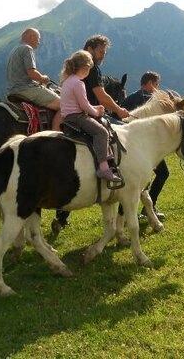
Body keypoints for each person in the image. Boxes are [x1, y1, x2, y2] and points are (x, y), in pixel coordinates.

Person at [53, 34, 128, 231]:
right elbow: (98, 98)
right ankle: (106, 168)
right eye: (101, 51)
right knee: (106, 133)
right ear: (90, 49)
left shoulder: (70, 78)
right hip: (81, 115)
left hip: (72, 114)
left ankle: (62, 214)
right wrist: (115, 111)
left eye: (104, 52)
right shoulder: (88, 71)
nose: (102, 56)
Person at [59, 50, 122, 183]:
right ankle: (104, 168)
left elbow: (81, 104)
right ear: (85, 68)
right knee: (102, 132)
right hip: (77, 117)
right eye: (89, 69)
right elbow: (84, 106)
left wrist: (94, 108)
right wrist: (97, 112)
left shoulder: (68, 81)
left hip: (69, 116)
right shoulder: (78, 83)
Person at [122, 71, 169, 221]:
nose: (157, 88)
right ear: (149, 83)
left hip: (129, 143)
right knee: (162, 173)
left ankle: (142, 210)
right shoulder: (149, 99)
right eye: (156, 84)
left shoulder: (130, 98)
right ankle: (149, 208)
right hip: (146, 147)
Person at [6, 27, 61, 131]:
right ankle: (55, 134)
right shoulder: (27, 48)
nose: (39, 42)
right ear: (31, 37)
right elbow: (31, 73)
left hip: (12, 90)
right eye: (38, 39)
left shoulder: (14, 49)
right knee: (64, 106)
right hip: (26, 89)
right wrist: (43, 78)